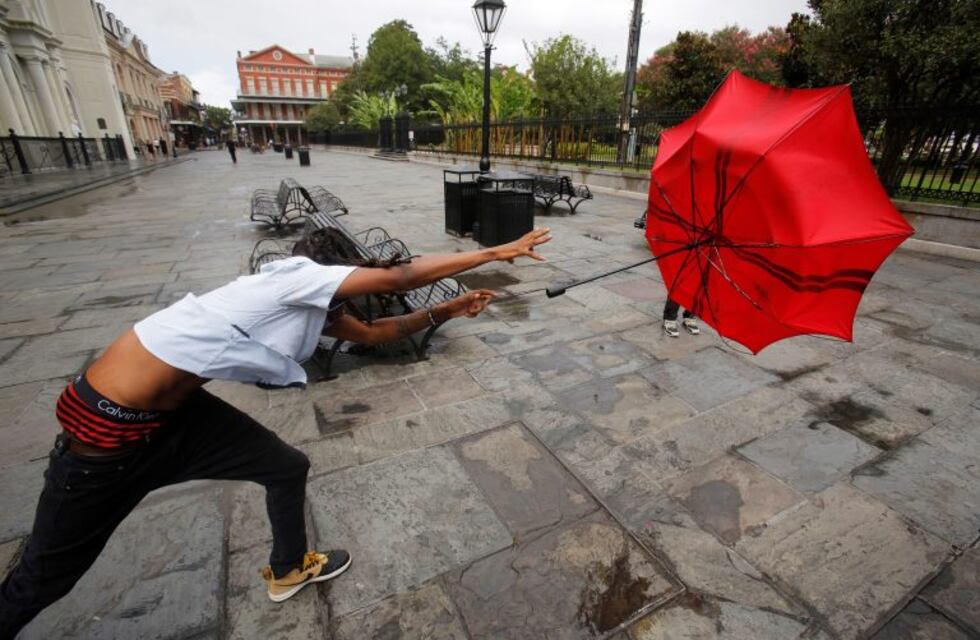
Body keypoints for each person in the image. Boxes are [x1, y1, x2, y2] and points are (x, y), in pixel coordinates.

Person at [0, 227, 552, 638]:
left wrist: (449, 310)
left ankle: (288, 568)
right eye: (355, 271)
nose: (362, 282)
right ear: (336, 266)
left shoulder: (316, 301)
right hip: (106, 438)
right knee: (45, 578)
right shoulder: (300, 278)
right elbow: (402, 278)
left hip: (179, 417)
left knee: (286, 466)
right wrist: (493, 253)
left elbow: (373, 334)